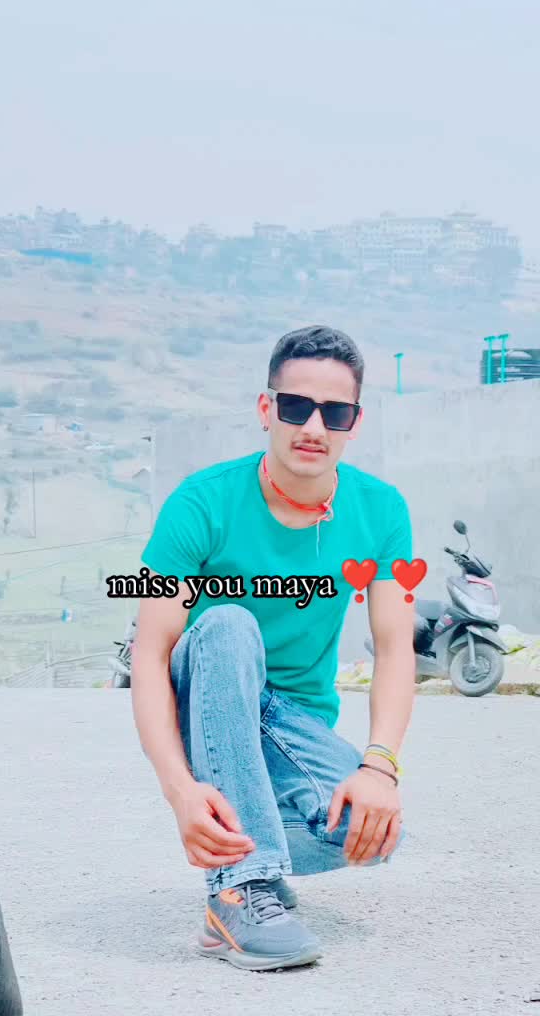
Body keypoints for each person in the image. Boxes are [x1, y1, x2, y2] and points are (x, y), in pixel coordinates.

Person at [131, 325, 416, 972]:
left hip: (293, 722)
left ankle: (245, 858)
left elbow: (395, 648)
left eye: (334, 413)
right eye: (295, 406)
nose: (313, 427)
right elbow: (150, 655)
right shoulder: (200, 503)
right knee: (229, 623)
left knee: (373, 833)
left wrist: (379, 767)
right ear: (267, 409)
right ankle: (240, 889)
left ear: (354, 423)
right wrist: (179, 790)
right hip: (210, 704)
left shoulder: (382, 511)